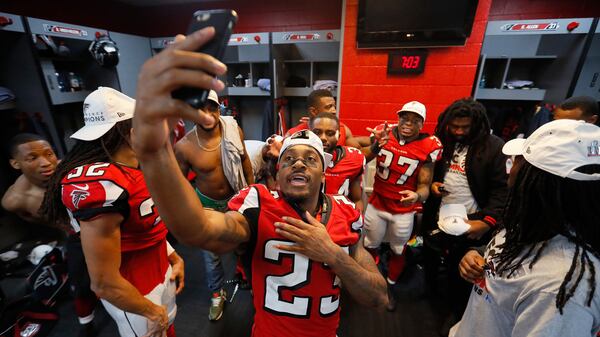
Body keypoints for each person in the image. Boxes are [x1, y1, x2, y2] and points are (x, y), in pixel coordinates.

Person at [131, 28, 388, 337]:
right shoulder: (258, 203)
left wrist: (331, 253)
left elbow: (377, 298)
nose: (299, 164)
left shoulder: (346, 211)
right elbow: (196, 229)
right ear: (277, 174)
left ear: (324, 174)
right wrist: (154, 152)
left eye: (311, 159)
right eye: (290, 159)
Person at [39, 87, 185, 337]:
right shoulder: (103, 184)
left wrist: (172, 255)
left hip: (159, 270)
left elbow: (143, 223)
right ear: (130, 132)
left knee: (168, 329)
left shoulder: (133, 167)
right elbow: (104, 281)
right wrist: (150, 310)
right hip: (133, 287)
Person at [450, 119, 600, 337]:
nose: (510, 168)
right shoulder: (531, 223)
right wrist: (479, 255)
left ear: (539, 183)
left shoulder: (560, 289)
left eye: (519, 161)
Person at [421, 98, 508, 332]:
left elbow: (502, 191)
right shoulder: (442, 142)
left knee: (459, 274)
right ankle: (431, 295)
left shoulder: (494, 147)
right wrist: (432, 185)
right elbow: (426, 171)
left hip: (471, 221)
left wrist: (486, 222)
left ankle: (456, 313)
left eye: (465, 127)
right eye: (454, 126)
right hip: (438, 214)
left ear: (477, 125)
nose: (459, 131)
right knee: (429, 257)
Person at [3, 133, 98, 337]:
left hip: (100, 224)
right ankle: (86, 323)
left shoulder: (73, 170)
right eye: (32, 158)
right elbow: (40, 220)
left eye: (49, 154)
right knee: (80, 282)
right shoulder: (15, 200)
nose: (46, 163)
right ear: (15, 163)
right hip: (74, 234)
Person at [174, 89, 254, 321]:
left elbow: (245, 161)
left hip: (235, 200)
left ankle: (253, 284)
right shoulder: (185, 146)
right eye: (200, 109)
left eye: (213, 108)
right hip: (207, 206)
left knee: (245, 246)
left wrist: (251, 193)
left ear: (219, 109)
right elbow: (181, 184)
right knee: (212, 257)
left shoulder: (233, 130)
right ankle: (217, 294)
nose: (207, 114)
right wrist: (192, 210)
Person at [362, 101, 443, 311]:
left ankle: (390, 286)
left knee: (399, 249)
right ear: (398, 118)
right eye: (405, 118)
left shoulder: (429, 146)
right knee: (370, 244)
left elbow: (425, 185)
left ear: (422, 124)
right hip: (378, 203)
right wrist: (375, 144)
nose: (408, 123)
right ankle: (373, 280)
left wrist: (416, 195)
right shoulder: (383, 133)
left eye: (415, 120)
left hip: (403, 210)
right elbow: (360, 156)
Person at [310, 112, 366, 211]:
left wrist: (356, 221)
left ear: (338, 136)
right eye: (317, 132)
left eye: (330, 133)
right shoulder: (297, 159)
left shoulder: (353, 159)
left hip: (339, 219)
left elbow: (357, 200)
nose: (323, 138)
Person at [285, 89, 363, 148]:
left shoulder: (342, 129)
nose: (334, 111)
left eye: (334, 107)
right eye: (328, 107)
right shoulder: (293, 134)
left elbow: (360, 154)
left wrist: (374, 146)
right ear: (313, 111)